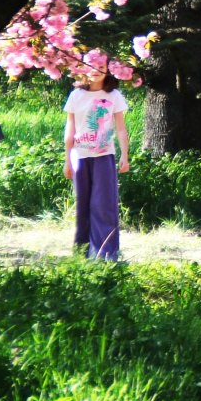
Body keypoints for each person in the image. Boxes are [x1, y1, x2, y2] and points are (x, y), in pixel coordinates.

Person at [63, 66, 130, 261]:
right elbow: (70, 130)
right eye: (90, 66)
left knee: (103, 205)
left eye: (101, 67)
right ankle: (82, 253)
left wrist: (124, 156)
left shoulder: (114, 96)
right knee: (83, 206)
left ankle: (105, 255)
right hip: (79, 157)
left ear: (108, 71)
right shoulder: (76, 95)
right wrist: (67, 160)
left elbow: (121, 129)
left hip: (104, 156)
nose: (95, 70)